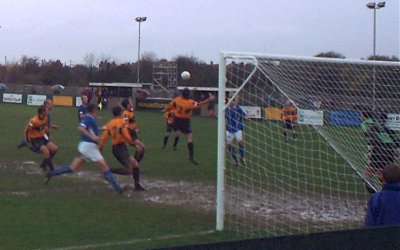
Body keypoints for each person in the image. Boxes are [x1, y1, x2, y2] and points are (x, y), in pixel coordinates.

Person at [44, 103, 123, 194]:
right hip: (89, 147)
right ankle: (118, 188)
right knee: (105, 167)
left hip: (85, 147)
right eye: (96, 110)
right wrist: (92, 137)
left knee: (73, 168)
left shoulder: (90, 118)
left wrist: (103, 128)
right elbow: (81, 128)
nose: (97, 112)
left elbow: (92, 129)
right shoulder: (88, 119)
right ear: (93, 111)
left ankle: (51, 173)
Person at [99, 106, 145, 191]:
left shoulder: (110, 123)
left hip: (118, 148)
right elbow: (126, 134)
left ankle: (137, 185)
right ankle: (108, 171)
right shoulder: (122, 122)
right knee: (129, 170)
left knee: (135, 164)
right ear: (120, 113)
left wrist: (100, 147)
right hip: (119, 149)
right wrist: (133, 143)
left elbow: (104, 137)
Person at [165, 88, 215, 165]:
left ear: (182, 94)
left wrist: (169, 112)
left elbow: (169, 107)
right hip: (185, 120)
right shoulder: (190, 103)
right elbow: (199, 104)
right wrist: (209, 99)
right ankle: (191, 156)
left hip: (176, 119)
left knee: (177, 132)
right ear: (189, 95)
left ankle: (173, 145)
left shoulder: (177, 99)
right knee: (189, 137)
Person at [361, 111, 399, 194]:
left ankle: (375, 194)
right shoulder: (389, 128)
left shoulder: (370, 125)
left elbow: (369, 136)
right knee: (385, 173)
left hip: (379, 149)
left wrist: (371, 149)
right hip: (390, 150)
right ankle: (388, 192)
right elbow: (397, 139)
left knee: (368, 174)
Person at [22, 105, 58, 171]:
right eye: (46, 110)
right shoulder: (33, 121)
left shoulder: (46, 118)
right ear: (42, 112)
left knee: (55, 149)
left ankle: (43, 164)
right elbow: (27, 130)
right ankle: (52, 170)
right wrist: (28, 141)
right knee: (46, 152)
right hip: (35, 139)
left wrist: (48, 136)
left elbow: (45, 127)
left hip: (42, 137)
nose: (48, 111)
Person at [121, 98, 146, 164]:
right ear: (127, 105)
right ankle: (134, 166)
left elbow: (131, 123)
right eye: (130, 102)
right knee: (141, 148)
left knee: (141, 149)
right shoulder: (125, 113)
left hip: (133, 133)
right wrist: (134, 130)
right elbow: (125, 125)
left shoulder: (130, 111)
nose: (132, 103)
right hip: (130, 134)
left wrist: (135, 129)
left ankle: (134, 165)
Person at [225, 97, 247, 166]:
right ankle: (235, 159)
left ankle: (242, 157)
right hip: (229, 130)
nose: (231, 102)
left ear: (235, 102)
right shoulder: (226, 109)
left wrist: (241, 123)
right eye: (230, 101)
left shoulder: (238, 108)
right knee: (229, 146)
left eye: (232, 101)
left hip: (237, 129)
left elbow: (244, 116)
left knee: (241, 143)